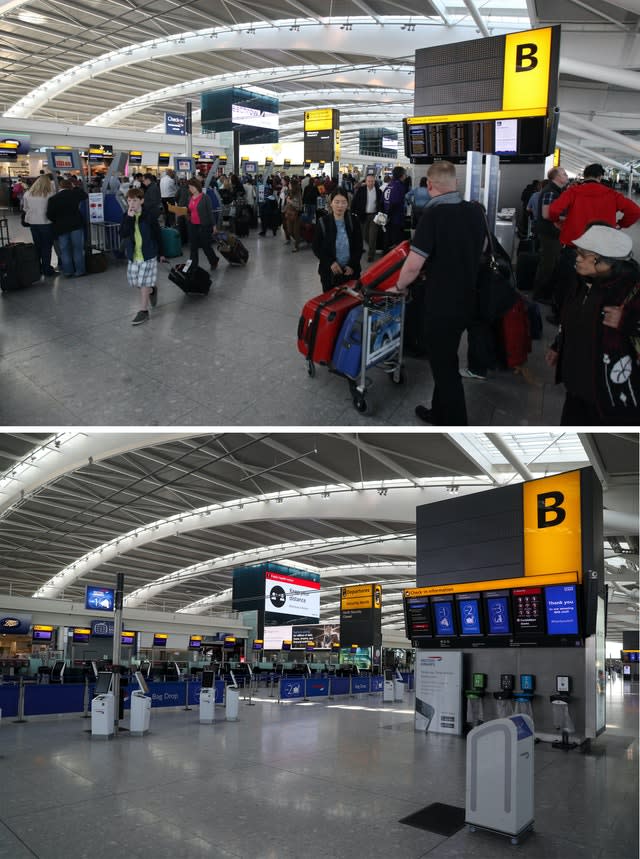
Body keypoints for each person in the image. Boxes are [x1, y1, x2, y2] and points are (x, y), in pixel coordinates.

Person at [393, 160, 485, 425]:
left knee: (444, 368)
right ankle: (438, 411)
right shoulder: (475, 211)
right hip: (468, 297)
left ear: (430, 185)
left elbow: (412, 266)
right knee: (446, 358)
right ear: (455, 183)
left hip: (441, 304)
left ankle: (456, 422)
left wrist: (398, 287)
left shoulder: (432, 216)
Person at [545, 224, 640, 425]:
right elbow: (570, 316)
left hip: (611, 396)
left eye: (586, 254)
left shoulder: (631, 291)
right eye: (578, 252)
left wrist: (627, 321)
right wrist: (558, 345)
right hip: (576, 385)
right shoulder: (580, 282)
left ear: (609, 262)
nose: (578, 258)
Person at [547, 163, 640, 320]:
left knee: (567, 282)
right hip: (602, 251)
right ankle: (593, 316)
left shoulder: (574, 191)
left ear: (585, 176)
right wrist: (621, 224)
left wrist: (557, 221)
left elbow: (554, 210)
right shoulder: (611, 193)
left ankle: (560, 316)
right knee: (599, 285)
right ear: (600, 176)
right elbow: (635, 211)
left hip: (575, 247)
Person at [119, 188, 166, 326]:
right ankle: (152, 290)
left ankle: (143, 310)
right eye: (129, 201)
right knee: (135, 282)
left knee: (144, 282)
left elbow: (157, 234)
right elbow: (122, 234)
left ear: (141, 201)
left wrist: (161, 253)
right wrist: (129, 218)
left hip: (148, 254)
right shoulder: (126, 215)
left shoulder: (149, 216)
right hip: (134, 255)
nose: (131, 204)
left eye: (134, 200)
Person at [312, 188, 363, 292]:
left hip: (351, 272)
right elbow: (316, 247)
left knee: (350, 302)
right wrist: (331, 262)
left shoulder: (353, 221)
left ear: (347, 204)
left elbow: (359, 246)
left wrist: (352, 265)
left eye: (343, 202)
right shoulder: (323, 222)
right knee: (331, 303)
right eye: (337, 202)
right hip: (329, 273)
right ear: (331, 203)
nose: (340, 206)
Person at [532, 167, 569, 302]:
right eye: (564, 174)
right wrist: (569, 218)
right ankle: (540, 294)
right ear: (556, 177)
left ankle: (543, 292)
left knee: (549, 262)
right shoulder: (551, 192)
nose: (566, 176)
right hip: (549, 233)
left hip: (551, 233)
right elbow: (546, 214)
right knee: (548, 264)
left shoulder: (555, 191)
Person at [46, 177, 88, 277]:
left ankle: (68, 271)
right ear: (70, 186)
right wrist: (75, 187)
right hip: (76, 225)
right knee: (77, 249)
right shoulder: (74, 194)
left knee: (64, 250)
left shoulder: (53, 199)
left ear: (60, 186)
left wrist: (57, 221)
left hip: (61, 227)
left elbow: (49, 215)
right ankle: (80, 271)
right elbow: (84, 195)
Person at [21, 174, 57, 277]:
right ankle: (47, 270)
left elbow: (25, 209)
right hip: (46, 223)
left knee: (37, 246)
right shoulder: (50, 194)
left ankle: (37, 268)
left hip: (33, 223)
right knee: (46, 247)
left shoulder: (28, 194)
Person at [186, 177, 219, 271]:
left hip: (203, 225)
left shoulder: (205, 198)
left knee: (206, 246)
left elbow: (210, 213)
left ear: (197, 186)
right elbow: (190, 210)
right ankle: (193, 267)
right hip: (192, 225)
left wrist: (214, 226)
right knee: (193, 247)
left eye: (192, 187)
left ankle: (214, 260)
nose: (190, 189)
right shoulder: (190, 198)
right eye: (189, 187)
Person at [350, 174, 384, 262]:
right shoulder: (361, 190)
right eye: (368, 181)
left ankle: (371, 255)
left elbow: (381, 204)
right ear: (365, 181)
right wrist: (352, 213)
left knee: (373, 235)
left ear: (374, 181)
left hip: (374, 216)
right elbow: (355, 201)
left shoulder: (378, 191)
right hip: (363, 216)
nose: (370, 183)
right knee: (365, 236)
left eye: (372, 181)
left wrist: (381, 215)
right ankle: (368, 247)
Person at [382, 165, 407, 248]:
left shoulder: (389, 185)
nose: (405, 176)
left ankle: (385, 254)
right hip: (395, 218)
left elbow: (382, 201)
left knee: (387, 237)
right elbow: (395, 203)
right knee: (396, 240)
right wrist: (389, 216)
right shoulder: (399, 186)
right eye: (404, 174)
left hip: (387, 216)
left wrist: (386, 215)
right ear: (401, 175)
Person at [282, 177, 303, 251]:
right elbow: (286, 203)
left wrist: (290, 202)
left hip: (296, 214)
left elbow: (299, 205)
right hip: (289, 214)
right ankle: (298, 240)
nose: (289, 185)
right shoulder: (288, 192)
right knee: (289, 231)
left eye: (290, 184)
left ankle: (296, 246)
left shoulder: (298, 193)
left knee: (295, 231)